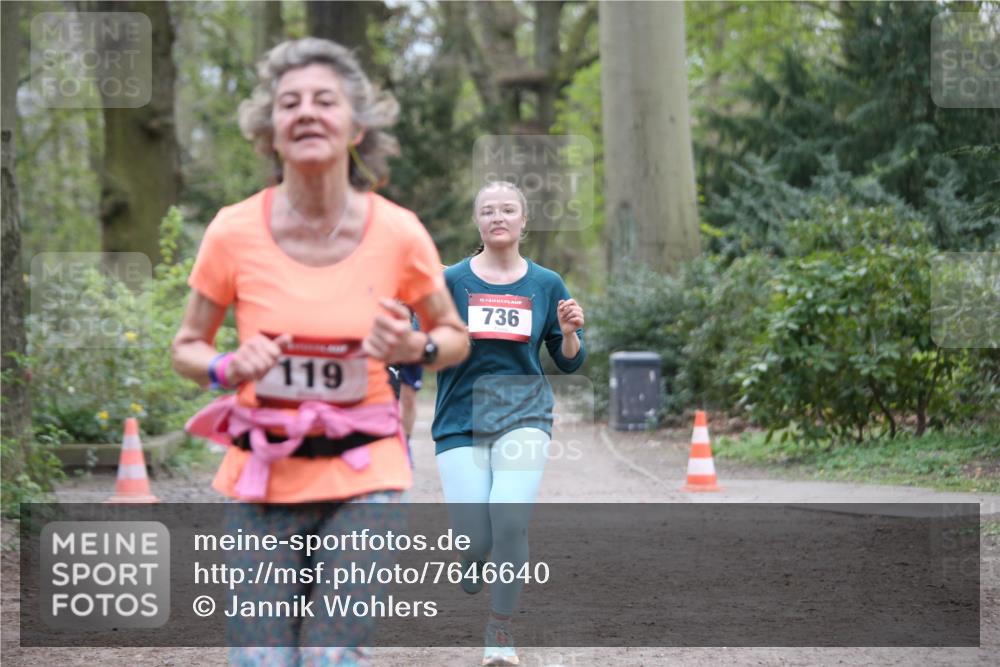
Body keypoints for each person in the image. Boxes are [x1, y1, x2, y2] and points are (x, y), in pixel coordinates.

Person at [171, 37, 467, 666]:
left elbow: (455, 337)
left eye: (324, 101)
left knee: (331, 658)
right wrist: (227, 366)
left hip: (367, 474)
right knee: (260, 660)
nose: (306, 112)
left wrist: (419, 344)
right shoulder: (232, 232)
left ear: (356, 126)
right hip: (264, 475)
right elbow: (188, 348)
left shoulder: (398, 231)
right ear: (269, 132)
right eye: (289, 103)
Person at [431, 181, 586, 666]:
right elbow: (422, 345)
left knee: (511, 518)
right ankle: (473, 556)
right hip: (460, 416)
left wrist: (569, 334)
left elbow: (569, 362)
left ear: (524, 220)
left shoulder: (546, 283)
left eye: (508, 209)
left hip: (524, 411)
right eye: (487, 210)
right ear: (477, 222)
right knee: (476, 537)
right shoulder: (451, 280)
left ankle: (500, 632)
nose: (498, 216)